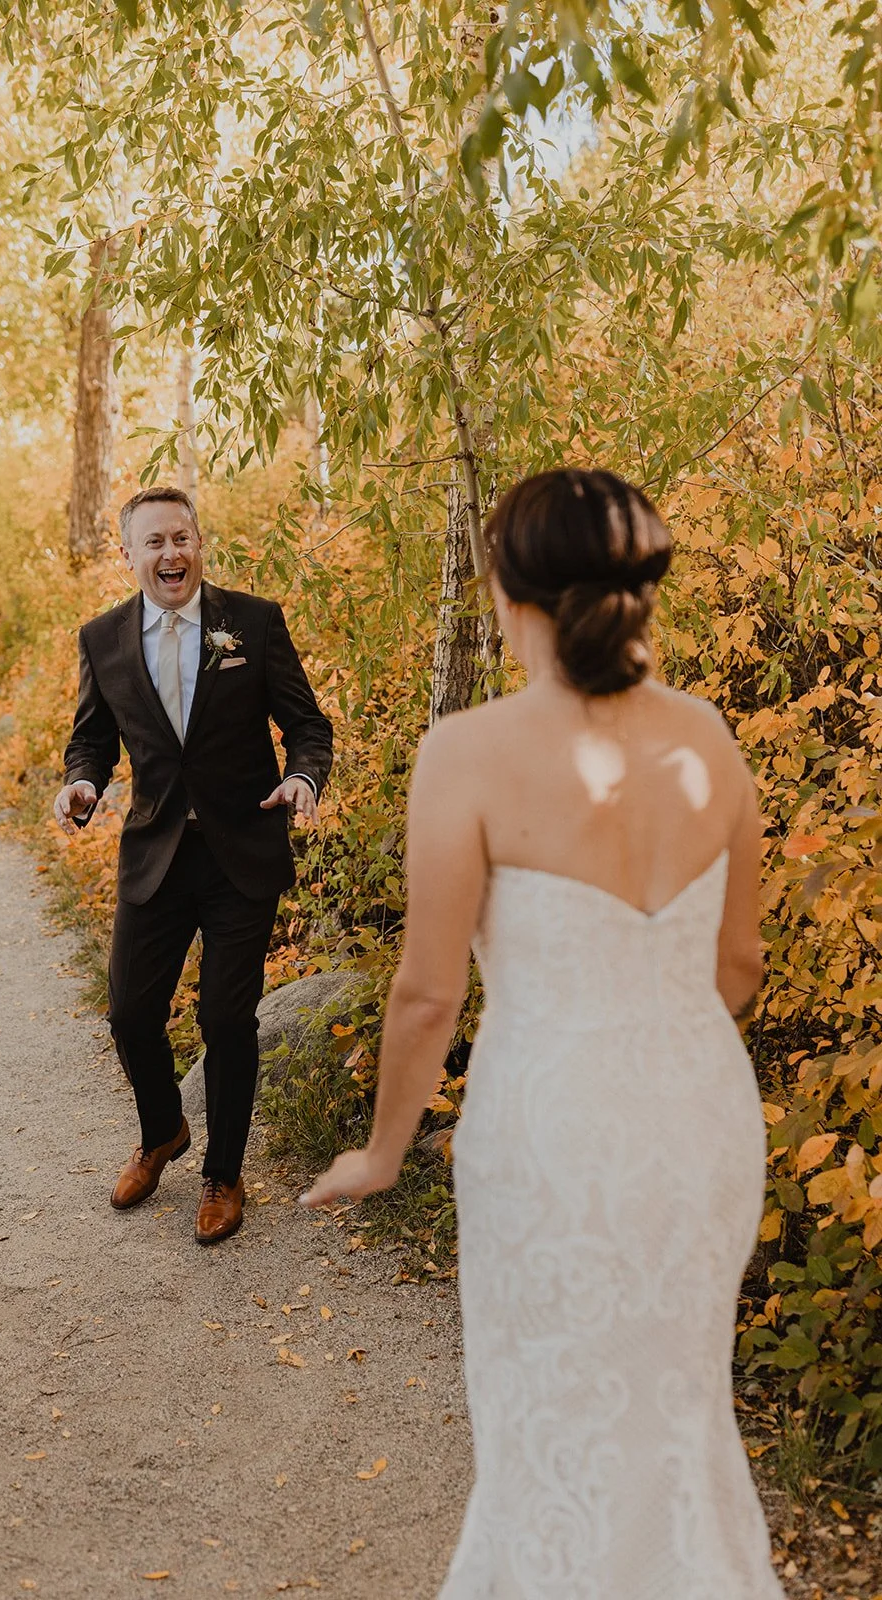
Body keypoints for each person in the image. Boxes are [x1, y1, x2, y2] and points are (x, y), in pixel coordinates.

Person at [304, 469, 785, 1597]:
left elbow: (428, 995)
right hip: (700, 1126)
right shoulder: (708, 739)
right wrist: (657, 1053)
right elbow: (741, 966)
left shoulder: (467, 752)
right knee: (678, 1419)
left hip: (552, 1134)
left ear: (504, 588)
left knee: (549, 1429)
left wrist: (381, 1154)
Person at [55, 487, 332, 1245]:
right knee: (130, 1014)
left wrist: (304, 777)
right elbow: (92, 742)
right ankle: (163, 1131)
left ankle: (224, 1174)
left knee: (224, 1019)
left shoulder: (253, 621)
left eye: (182, 538)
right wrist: (82, 782)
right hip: (155, 852)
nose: (171, 553)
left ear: (199, 543)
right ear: (129, 555)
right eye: (154, 542)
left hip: (243, 847)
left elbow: (306, 725)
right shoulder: (102, 639)